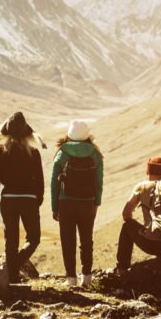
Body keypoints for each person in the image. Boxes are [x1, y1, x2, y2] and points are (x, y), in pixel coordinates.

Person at [0, 112, 44, 283]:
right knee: (34, 238)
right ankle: (14, 268)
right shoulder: (34, 152)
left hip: (8, 198)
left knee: (11, 239)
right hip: (29, 199)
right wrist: (38, 199)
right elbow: (40, 179)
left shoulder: (0, 152)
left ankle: (12, 272)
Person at [51, 120, 104, 287]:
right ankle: (86, 277)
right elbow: (99, 181)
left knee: (68, 241)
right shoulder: (95, 153)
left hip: (65, 203)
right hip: (87, 203)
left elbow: (54, 182)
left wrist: (54, 207)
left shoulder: (63, 152)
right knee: (86, 240)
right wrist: (96, 203)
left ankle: (71, 279)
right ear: (87, 135)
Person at [116, 157, 161, 271]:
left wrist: (143, 229)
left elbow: (126, 214)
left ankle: (122, 268)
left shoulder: (143, 186)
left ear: (149, 171)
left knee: (127, 226)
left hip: (153, 246)